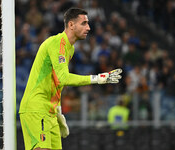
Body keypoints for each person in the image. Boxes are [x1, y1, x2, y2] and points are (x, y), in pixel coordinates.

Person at [19, 7, 122, 150]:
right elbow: (63, 78)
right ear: (71, 25)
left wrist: (58, 109)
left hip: (50, 112)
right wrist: (96, 79)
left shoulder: (70, 48)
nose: (89, 27)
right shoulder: (56, 43)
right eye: (84, 23)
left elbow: (56, 80)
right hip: (36, 108)